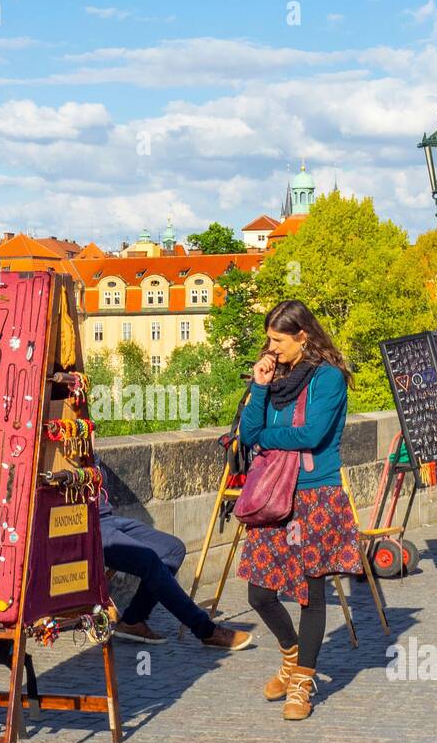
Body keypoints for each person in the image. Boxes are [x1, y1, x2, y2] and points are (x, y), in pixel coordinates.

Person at [236, 299, 363, 721]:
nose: (270, 348)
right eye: (268, 339)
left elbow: (311, 433)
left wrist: (270, 438)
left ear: (302, 336)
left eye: (278, 340)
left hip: (315, 495)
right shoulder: (277, 379)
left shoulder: (328, 378)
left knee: (310, 592)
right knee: (260, 592)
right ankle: (291, 654)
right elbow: (249, 432)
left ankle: (303, 683)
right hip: (276, 496)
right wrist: (259, 385)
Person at [100, 457, 252, 650]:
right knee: (148, 559)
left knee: (172, 549)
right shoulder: (56, 447)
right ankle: (204, 629)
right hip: (84, 528)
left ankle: (133, 621)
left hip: (107, 519)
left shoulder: (84, 440)